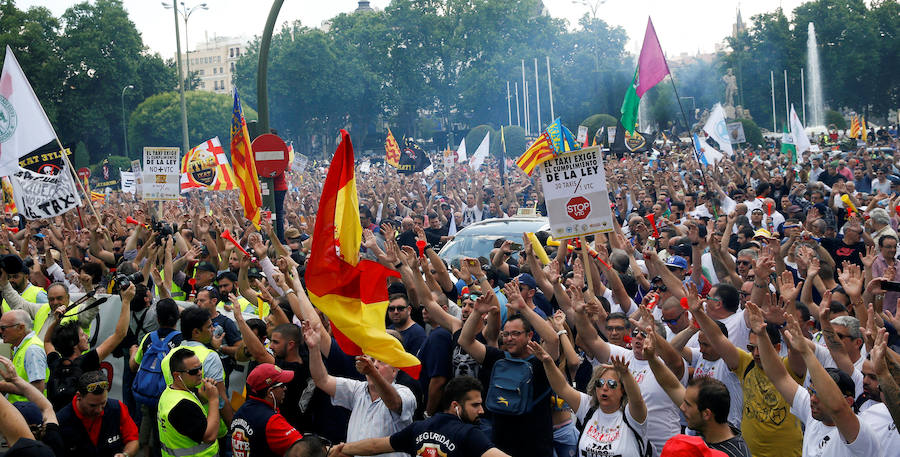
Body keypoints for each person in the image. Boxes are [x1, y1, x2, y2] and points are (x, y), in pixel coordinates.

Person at [754, 304, 882, 456]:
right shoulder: (813, 413)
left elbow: (838, 409)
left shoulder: (859, 434)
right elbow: (779, 377)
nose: (812, 399)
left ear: (848, 402)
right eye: (811, 392)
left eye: (820, 395)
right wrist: (761, 335)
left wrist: (806, 353)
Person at [458, 282, 559, 457]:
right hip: (501, 447)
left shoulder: (541, 362)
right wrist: (477, 312)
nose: (509, 338)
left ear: (529, 335)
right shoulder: (497, 359)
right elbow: (465, 341)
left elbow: (553, 340)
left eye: (516, 334)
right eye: (506, 334)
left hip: (535, 449)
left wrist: (524, 308)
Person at [304, 321, 416, 457]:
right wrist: (314, 348)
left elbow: (394, 403)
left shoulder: (405, 393)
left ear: (395, 369)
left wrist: (372, 372)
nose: (374, 365)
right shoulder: (357, 389)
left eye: (381, 361)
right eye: (371, 360)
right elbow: (322, 380)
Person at [331, 376, 510, 457]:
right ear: (455, 406)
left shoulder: (419, 428)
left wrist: (339, 449)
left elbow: (374, 446)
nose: (481, 411)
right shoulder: (469, 434)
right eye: (475, 405)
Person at [529, 338, 649, 457]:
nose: (604, 388)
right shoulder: (588, 407)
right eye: (599, 383)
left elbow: (637, 400)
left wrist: (625, 374)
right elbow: (562, 387)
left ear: (623, 389)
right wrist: (548, 362)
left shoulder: (632, 416)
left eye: (611, 384)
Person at [643, 326, 751, 457]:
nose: (682, 407)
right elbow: (672, 386)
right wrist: (652, 358)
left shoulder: (733, 453)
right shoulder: (709, 429)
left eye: (688, 405)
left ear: (706, 414)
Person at [44, 282, 134, 410]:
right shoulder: (86, 362)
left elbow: (47, 342)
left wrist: (56, 320)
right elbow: (120, 334)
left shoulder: (55, 363)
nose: (87, 336)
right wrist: (126, 301)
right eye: (82, 335)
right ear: (74, 344)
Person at [128, 298, 183, 457]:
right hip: (169, 397)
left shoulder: (148, 338)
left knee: (146, 419)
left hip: (147, 393)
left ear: (157, 319)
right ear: (177, 318)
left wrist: (133, 352)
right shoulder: (181, 341)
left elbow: (133, 366)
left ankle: (143, 450)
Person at [158, 348, 227, 457]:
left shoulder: (170, 392)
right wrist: (213, 399)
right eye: (193, 371)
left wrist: (204, 396)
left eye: (200, 367)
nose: (200, 373)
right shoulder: (182, 406)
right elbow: (209, 437)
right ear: (177, 375)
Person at [56, 370, 139, 457]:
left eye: (103, 403)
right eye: (93, 405)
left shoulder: (118, 408)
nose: (99, 410)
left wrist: (125, 454)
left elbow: (133, 440)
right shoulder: (60, 421)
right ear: (79, 396)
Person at [230, 363, 303, 457]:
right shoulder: (272, 421)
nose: (285, 388)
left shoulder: (241, 411)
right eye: (282, 385)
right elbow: (303, 450)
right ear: (269, 393)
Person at [0, 309, 47, 403]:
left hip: (27, 409)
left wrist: (3, 386)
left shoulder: (32, 350)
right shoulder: (22, 346)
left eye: (3, 328)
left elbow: (37, 389)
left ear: (21, 328)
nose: (0, 331)